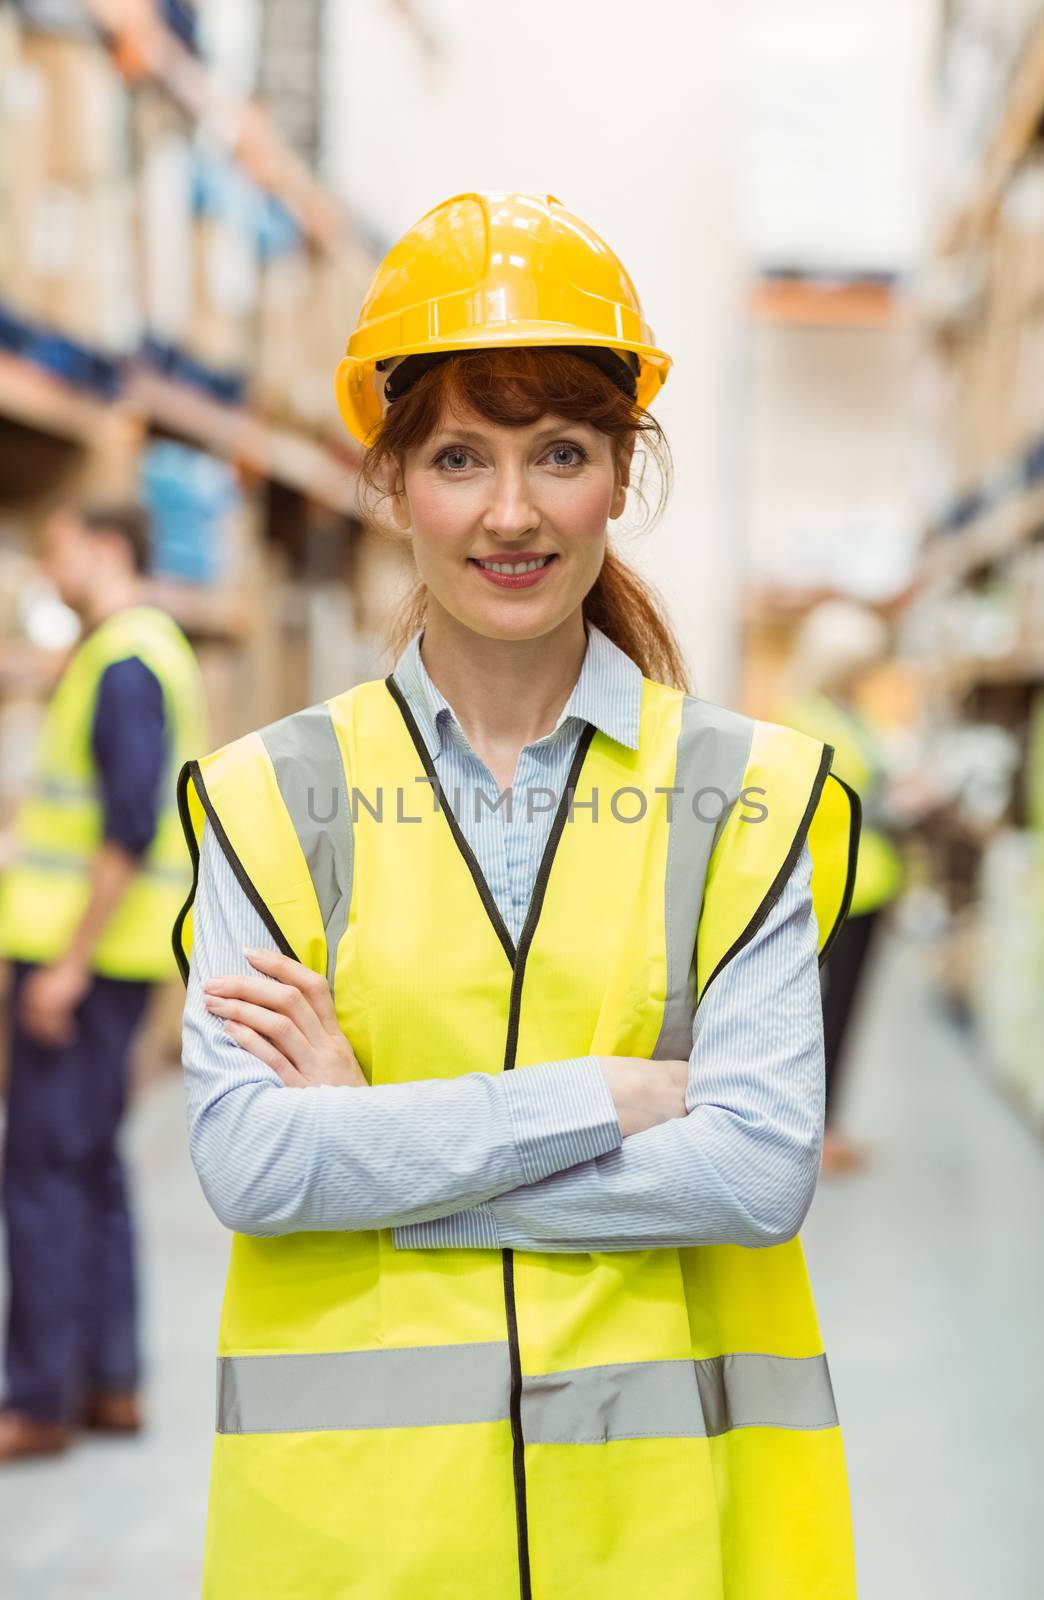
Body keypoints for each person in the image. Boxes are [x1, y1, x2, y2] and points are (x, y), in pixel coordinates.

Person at [174, 192, 861, 1598]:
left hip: (656, 1537)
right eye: (455, 457)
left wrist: (369, 1150)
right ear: (391, 482)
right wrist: (606, 1097)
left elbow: (749, 1171)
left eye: (559, 452)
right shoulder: (271, 800)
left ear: (620, 473)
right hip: (362, 1545)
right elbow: (249, 1164)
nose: (508, 511)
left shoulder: (744, 796)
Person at [0, 501, 208, 1461]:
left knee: (42, 1172)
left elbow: (126, 822)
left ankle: (40, 1398)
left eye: (58, 547)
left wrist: (68, 963)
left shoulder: (125, 659)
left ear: (106, 547)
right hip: (115, 959)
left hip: (82, 962)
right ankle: (109, 1382)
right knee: (91, 1166)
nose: (49, 567)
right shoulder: (145, 651)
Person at [778, 598, 906, 1176]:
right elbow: (832, 801)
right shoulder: (803, 716)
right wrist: (893, 802)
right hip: (837, 882)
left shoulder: (845, 711)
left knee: (844, 1009)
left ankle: (828, 1126)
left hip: (871, 879)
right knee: (820, 1012)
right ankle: (813, 1133)